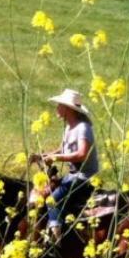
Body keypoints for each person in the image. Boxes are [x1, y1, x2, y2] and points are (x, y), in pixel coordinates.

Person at [33, 88, 99, 243]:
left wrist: (56, 158)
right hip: (73, 174)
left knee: (52, 200)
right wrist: (42, 156)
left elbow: (82, 154)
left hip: (84, 176)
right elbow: (62, 150)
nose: (57, 108)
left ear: (68, 109)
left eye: (59, 105)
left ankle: (56, 238)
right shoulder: (70, 127)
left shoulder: (83, 128)